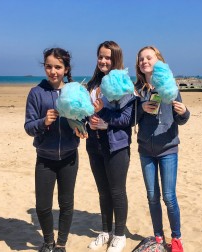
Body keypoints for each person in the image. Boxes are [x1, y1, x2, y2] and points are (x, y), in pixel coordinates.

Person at [24, 48, 87, 252]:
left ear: (65, 69)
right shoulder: (36, 93)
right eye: (49, 66)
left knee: (66, 204)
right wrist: (44, 121)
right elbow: (28, 127)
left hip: (69, 158)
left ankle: (61, 244)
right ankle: (48, 242)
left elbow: (82, 119)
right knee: (42, 206)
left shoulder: (74, 91)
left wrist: (81, 129)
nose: (53, 71)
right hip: (45, 158)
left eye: (58, 67)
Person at [133, 46, 190, 252]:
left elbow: (181, 118)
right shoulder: (137, 89)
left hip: (168, 148)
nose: (144, 61)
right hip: (145, 150)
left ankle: (176, 238)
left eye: (149, 57)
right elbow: (130, 119)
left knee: (169, 196)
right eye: (141, 59)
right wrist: (141, 108)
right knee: (151, 195)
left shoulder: (169, 84)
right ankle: (158, 235)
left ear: (159, 60)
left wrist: (184, 112)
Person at [86, 41, 135, 252]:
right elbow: (87, 111)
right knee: (103, 191)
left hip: (116, 145)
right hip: (93, 143)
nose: (103, 61)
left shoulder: (124, 83)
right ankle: (105, 232)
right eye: (100, 56)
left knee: (117, 191)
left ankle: (120, 235)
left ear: (116, 59)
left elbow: (127, 119)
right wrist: (84, 122)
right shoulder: (92, 83)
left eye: (108, 57)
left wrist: (103, 117)